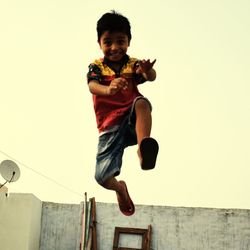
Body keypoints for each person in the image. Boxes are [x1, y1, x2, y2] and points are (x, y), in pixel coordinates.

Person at [87, 10, 159, 216]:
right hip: (109, 126)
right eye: (108, 42)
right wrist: (108, 89)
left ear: (129, 41)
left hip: (130, 119)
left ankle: (143, 148)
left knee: (142, 103)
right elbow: (92, 86)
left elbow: (150, 77)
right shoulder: (97, 66)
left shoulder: (132, 64)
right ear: (100, 43)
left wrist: (147, 70)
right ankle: (120, 189)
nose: (115, 47)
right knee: (101, 177)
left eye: (120, 41)